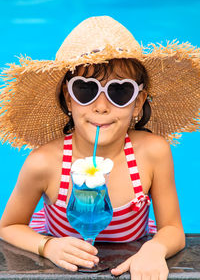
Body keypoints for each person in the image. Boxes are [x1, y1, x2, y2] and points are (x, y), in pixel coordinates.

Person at [0, 16, 199, 280]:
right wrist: (47, 246)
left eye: (119, 92)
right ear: (68, 100)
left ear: (137, 102)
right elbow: (9, 225)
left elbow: (173, 228)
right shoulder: (44, 163)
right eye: (85, 90)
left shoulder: (153, 153)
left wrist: (155, 248)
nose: (102, 106)